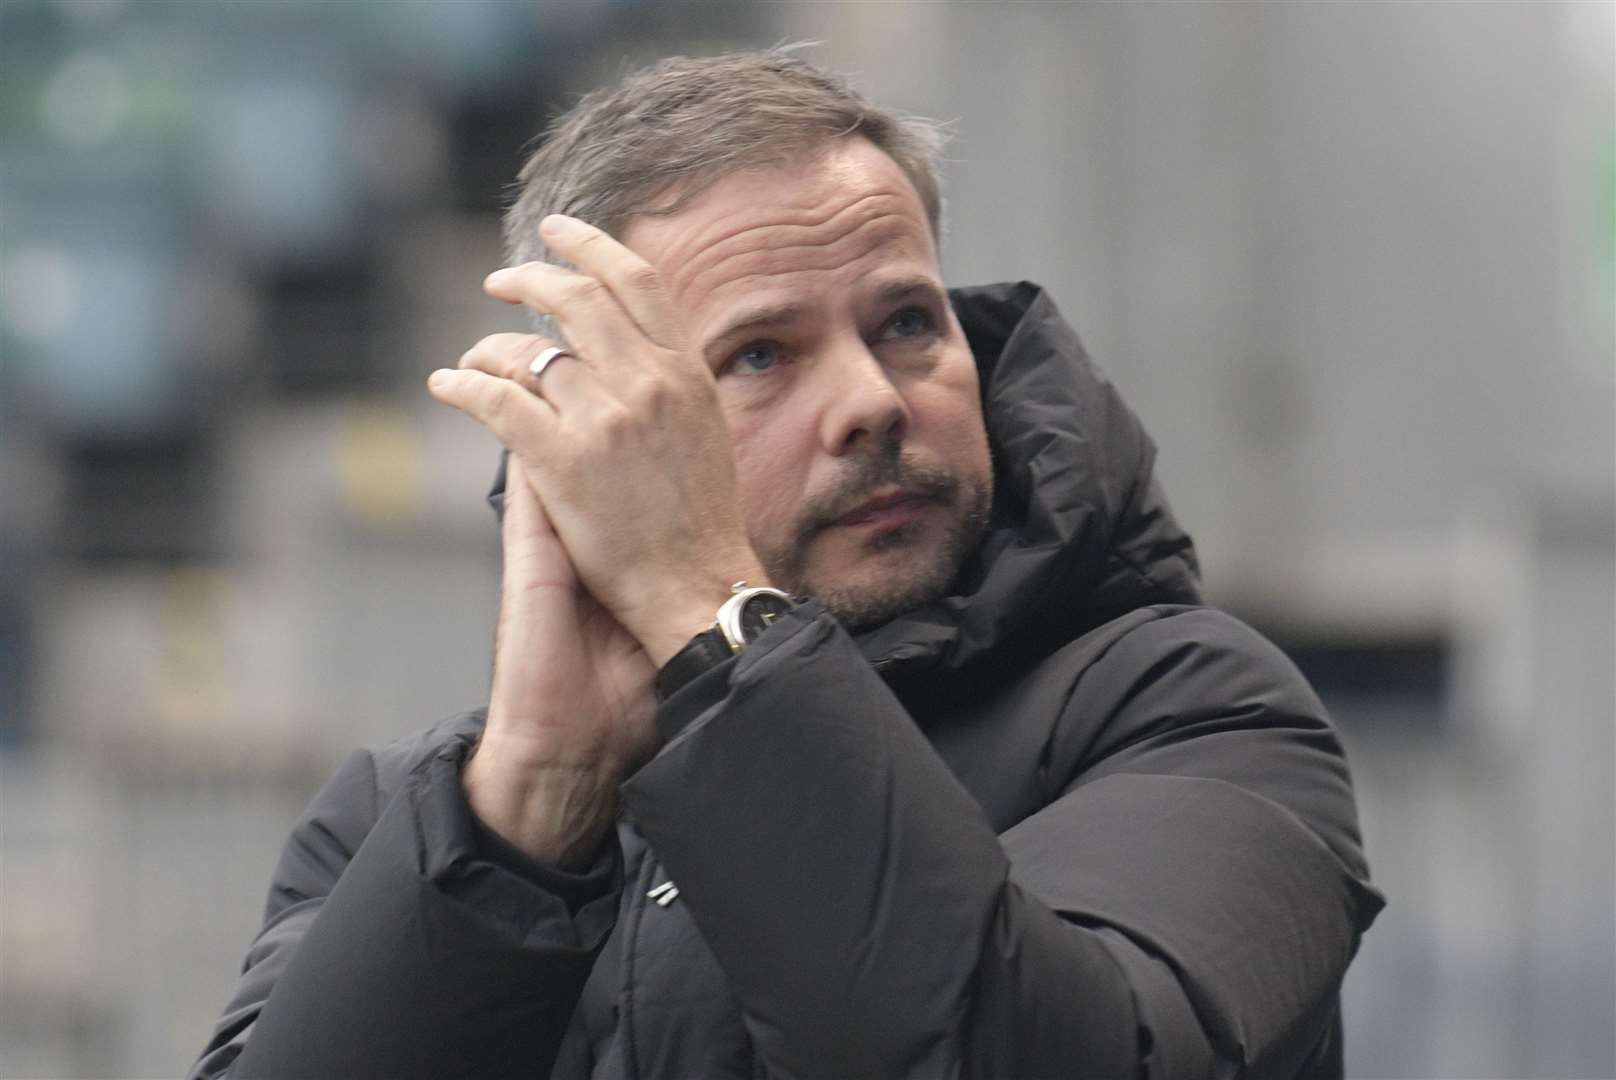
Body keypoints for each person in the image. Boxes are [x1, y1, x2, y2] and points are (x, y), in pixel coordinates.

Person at [193, 49, 1383, 1080]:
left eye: (907, 323)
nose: (870, 400)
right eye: (761, 355)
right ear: (601, 433)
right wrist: (525, 823)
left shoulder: (1187, 708)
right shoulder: (405, 823)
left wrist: (720, 636)